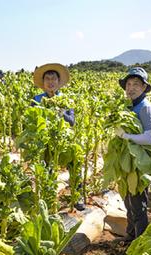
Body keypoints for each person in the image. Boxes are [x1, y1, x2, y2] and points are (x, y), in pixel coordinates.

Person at [31, 63, 84, 210]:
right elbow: (30, 121)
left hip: (63, 140)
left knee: (74, 164)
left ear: (58, 81)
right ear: (43, 82)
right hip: (45, 141)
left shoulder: (65, 99)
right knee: (45, 169)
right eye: (47, 79)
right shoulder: (36, 100)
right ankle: (47, 199)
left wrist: (60, 111)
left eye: (53, 78)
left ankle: (77, 195)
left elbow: (72, 121)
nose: (50, 82)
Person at [116, 67, 151, 239]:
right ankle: (130, 235)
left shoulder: (145, 108)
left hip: (139, 163)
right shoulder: (129, 105)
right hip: (128, 161)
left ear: (143, 88)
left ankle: (139, 242)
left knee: (138, 204)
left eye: (136, 84)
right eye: (129, 84)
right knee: (127, 200)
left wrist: (125, 136)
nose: (131, 88)